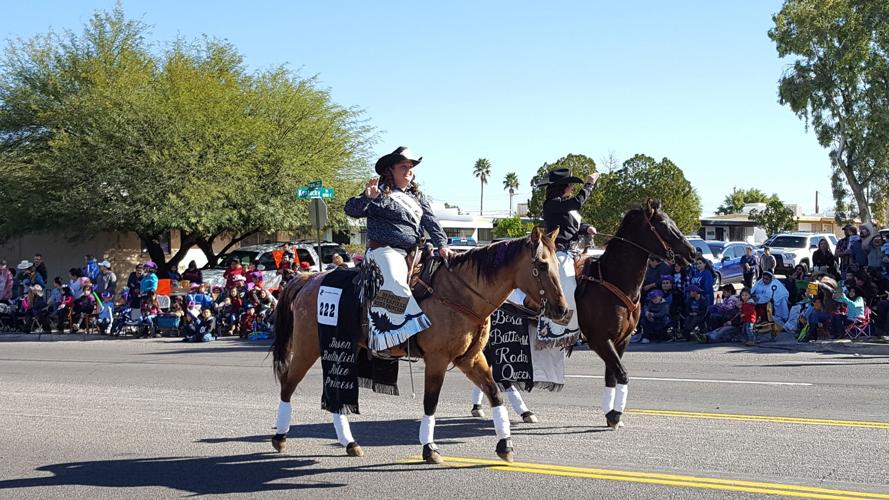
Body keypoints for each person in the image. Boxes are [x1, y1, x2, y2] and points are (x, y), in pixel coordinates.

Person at [344, 146, 452, 354]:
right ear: (390, 170)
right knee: (394, 279)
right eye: (403, 166)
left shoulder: (417, 197)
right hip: (385, 251)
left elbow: (431, 222)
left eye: (411, 167)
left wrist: (442, 245)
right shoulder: (378, 192)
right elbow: (351, 209)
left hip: (416, 252)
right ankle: (388, 337)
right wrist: (367, 198)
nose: (409, 170)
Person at [534, 167, 600, 343]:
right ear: (562, 187)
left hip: (576, 250)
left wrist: (586, 228)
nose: (571, 188)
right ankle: (560, 326)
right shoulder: (552, 204)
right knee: (568, 284)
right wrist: (589, 185)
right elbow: (578, 202)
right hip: (560, 251)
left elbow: (574, 225)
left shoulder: (565, 205)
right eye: (569, 185)